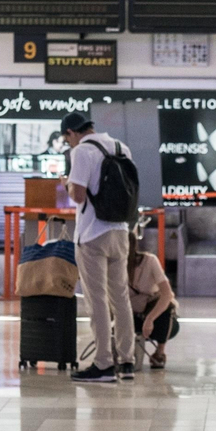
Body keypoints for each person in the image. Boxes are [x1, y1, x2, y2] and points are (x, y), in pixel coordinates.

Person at [60, 112, 134, 384]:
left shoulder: (81, 152)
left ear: (71, 133)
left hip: (92, 234)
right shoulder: (120, 147)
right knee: (121, 297)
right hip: (121, 230)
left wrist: (66, 184)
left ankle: (103, 363)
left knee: (97, 300)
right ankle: (127, 362)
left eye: (66, 139)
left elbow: (78, 195)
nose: (68, 144)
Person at [127, 232, 179, 370]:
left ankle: (160, 351)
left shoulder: (149, 261)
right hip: (129, 312)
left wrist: (150, 319)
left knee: (166, 309)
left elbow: (167, 294)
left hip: (152, 311)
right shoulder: (113, 264)